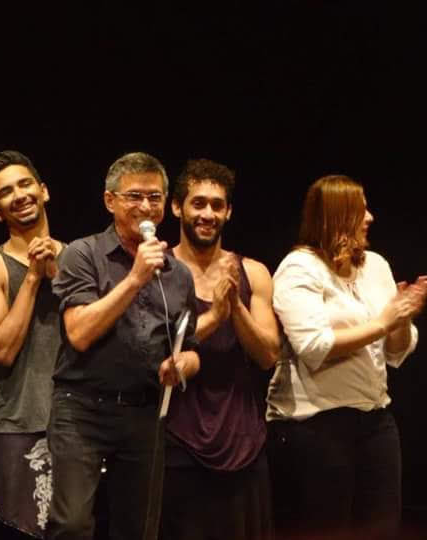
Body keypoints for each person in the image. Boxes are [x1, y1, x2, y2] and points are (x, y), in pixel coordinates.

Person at [267, 175, 427, 539]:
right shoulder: (299, 268)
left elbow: (396, 353)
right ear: (334, 216)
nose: (370, 217)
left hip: (374, 418)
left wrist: (401, 318)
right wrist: (383, 322)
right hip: (316, 424)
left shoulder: (375, 265)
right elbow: (313, 346)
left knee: (382, 528)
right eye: (361, 210)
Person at [46, 151, 200, 540]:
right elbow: (78, 333)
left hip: (144, 412)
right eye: (134, 196)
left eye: (154, 197)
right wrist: (134, 278)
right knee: (72, 524)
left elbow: (192, 345)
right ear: (110, 201)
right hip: (82, 407)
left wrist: (183, 364)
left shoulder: (178, 273)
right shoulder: (83, 253)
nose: (146, 207)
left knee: (140, 528)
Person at [160, 158, 280, 540]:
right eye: (198, 203)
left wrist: (235, 307)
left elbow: (268, 356)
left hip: (242, 439)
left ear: (228, 212)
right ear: (177, 207)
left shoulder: (253, 272)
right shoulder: (156, 271)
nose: (208, 214)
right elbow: (153, 352)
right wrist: (214, 315)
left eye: (217, 205)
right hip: (177, 440)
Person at [0, 150, 64, 538]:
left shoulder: (80, 258)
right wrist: (33, 278)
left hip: (80, 423)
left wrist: (58, 271)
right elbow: (3, 349)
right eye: (6, 192)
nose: (19, 195)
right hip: (21, 422)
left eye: (25, 184)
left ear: (44, 191)